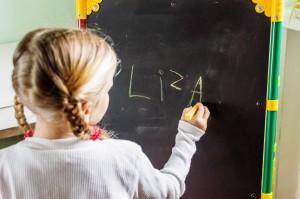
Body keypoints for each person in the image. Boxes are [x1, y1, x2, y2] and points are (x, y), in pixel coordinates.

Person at [0, 28, 210, 199]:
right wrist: (187, 137)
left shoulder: (5, 165)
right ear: (85, 108)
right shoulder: (125, 158)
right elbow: (168, 190)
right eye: (107, 89)